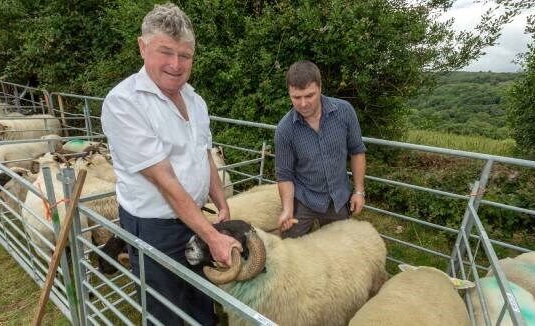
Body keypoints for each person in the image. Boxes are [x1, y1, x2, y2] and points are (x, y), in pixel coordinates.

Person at [100, 3, 241, 325]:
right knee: (167, 310)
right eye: (166, 52)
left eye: (185, 55)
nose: (176, 65)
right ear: (142, 47)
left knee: (200, 298)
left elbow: (203, 153)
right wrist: (213, 236)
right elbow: (164, 180)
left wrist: (221, 202)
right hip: (155, 228)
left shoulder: (195, 99)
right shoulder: (124, 103)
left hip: (195, 218)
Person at [274, 60, 367, 238]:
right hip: (303, 200)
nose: (302, 104)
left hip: (338, 199)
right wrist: (287, 209)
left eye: (309, 95)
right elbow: (284, 175)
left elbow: (357, 151)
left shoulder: (345, 111)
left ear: (320, 87)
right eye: (296, 97)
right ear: (289, 93)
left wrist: (359, 191)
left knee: (339, 250)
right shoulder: (284, 129)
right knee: (291, 250)